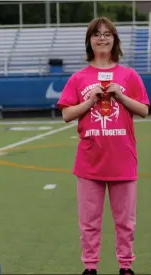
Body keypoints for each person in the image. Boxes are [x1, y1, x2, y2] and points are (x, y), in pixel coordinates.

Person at [57, 17, 149, 275]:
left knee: (126, 222)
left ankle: (125, 265)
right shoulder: (79, 78)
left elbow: (143, 110)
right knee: (89, 222)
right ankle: (90, 267)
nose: (102, 38)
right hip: (89, 160)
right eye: (96, 34)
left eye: (107, 34)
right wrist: (90, 101)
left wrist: (120, 94)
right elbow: (66, 114)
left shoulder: (129, 75)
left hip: (123, 158)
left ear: (115, 40)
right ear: (89, 40)